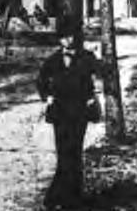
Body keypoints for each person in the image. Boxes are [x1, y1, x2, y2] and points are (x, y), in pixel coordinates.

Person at [37, 21, 99, 210]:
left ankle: (71, 197)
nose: (68, 39)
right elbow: (40, 81)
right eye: (64, 36)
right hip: (60, 113)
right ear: (59, 39)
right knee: (64, 153)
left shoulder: (86, 57)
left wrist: (92, 96)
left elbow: (100, 74)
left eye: (71, 35)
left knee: (75, 153)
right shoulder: (53, 60)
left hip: (79, 112)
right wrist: (47, 97)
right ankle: (58, 196)